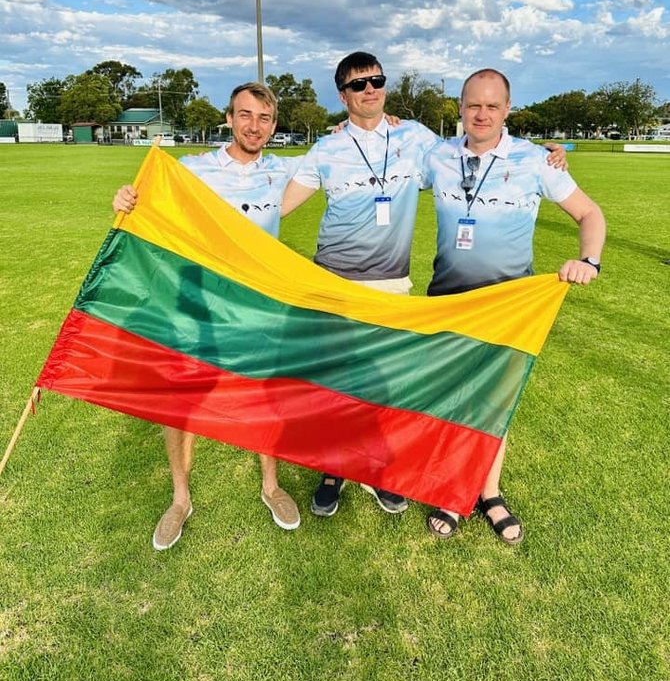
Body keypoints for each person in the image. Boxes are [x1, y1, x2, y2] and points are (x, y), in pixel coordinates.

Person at [280, 52, 567, 519]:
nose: (369, 90)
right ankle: (333, 470)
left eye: (376, 81)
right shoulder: (325, 148)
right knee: (336, 385)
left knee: (386, 385)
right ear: (342, 96)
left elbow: (481, 143)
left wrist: (545, 151)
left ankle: (376, 470)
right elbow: (281, 206)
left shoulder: (416, 138)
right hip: (334, 284)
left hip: (393, 285)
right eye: (358, 85)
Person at [112, 83, 302, 549]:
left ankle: (271, 486)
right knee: (180, 404)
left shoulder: (283, 171)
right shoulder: (194, 169)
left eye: (264, 118)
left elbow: (340, 159)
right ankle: (180, 499)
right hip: (198, 308)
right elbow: (150, 201)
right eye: (245, 115)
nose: (254, 126)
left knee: (266, 395)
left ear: (274, 125)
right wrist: (125, 199)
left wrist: (376, 123)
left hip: (259, 306)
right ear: (229, 119)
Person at [424, 68, 606, 544]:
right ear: (460, 108)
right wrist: (348, 125)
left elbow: (590, 214)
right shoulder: (437, 155)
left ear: (507, 109)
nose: (481, 114)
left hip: (510, 304)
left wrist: (589, 259)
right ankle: (453, 488)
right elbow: (386, 157)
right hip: (447, 301)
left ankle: (489, 491)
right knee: (453, 399)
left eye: (491, 106)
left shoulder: (535, 161)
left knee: (495, 403)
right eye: (472, 105)